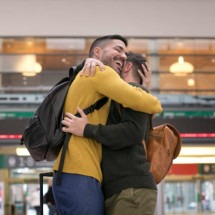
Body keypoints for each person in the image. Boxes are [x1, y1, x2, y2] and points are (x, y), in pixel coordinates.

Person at [52, 35, 162, 215]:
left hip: (102, 179)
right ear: (97, 52)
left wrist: (142, 88)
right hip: (82, 172)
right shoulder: (100, 73)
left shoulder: (108, 89)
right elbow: (151, 104)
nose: (123, 56)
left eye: (125, 53)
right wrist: (150, 99)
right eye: (118, 50)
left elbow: (133, 130)